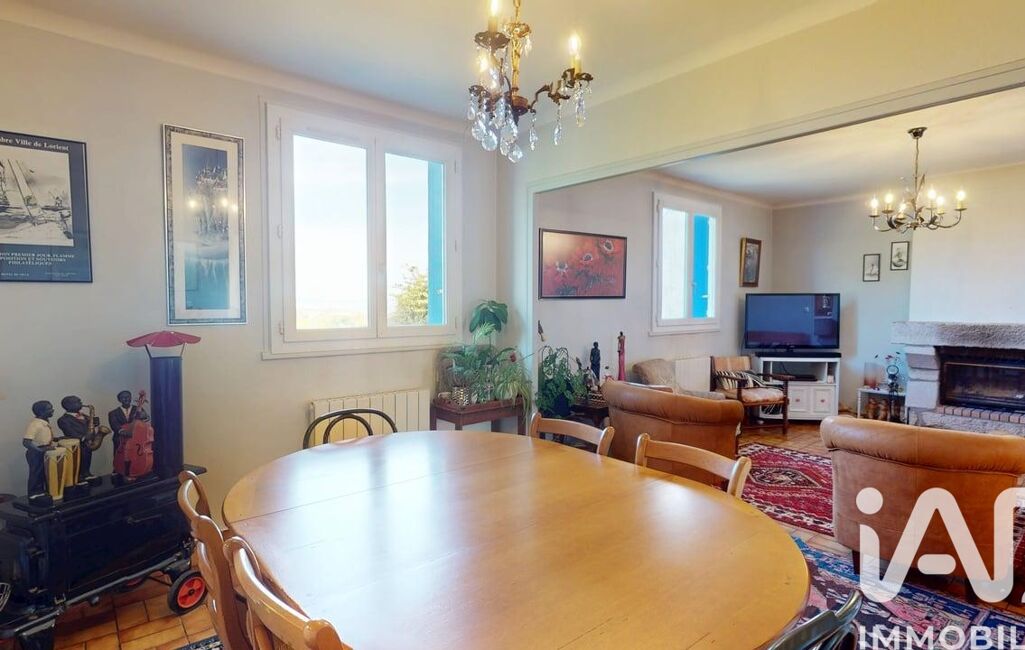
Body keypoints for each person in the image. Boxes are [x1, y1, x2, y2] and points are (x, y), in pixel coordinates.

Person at [57, 395, 93, 482]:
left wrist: (93, 424)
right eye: (78, 402)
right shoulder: (63, 420)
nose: (81, 403)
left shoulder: (84, 416)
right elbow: (70, 433)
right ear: (69, 405)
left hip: (86, 444)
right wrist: (84, 437)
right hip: (76, 445)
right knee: (78, 461)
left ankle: (86, 473)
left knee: (87, 459)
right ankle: (79, 477)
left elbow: (89, 427)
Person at [23, 401, 55, 495]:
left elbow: (42, 437)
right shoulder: (35, 424)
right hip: (35, 453)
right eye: (49, 409)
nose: (52, 410)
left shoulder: (44, 423)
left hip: (43, 451)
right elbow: (26, 442)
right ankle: (34, 493)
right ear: (41, 411)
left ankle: (41, 492)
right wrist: (40, 450)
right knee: (36, 474)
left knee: (43, 474)